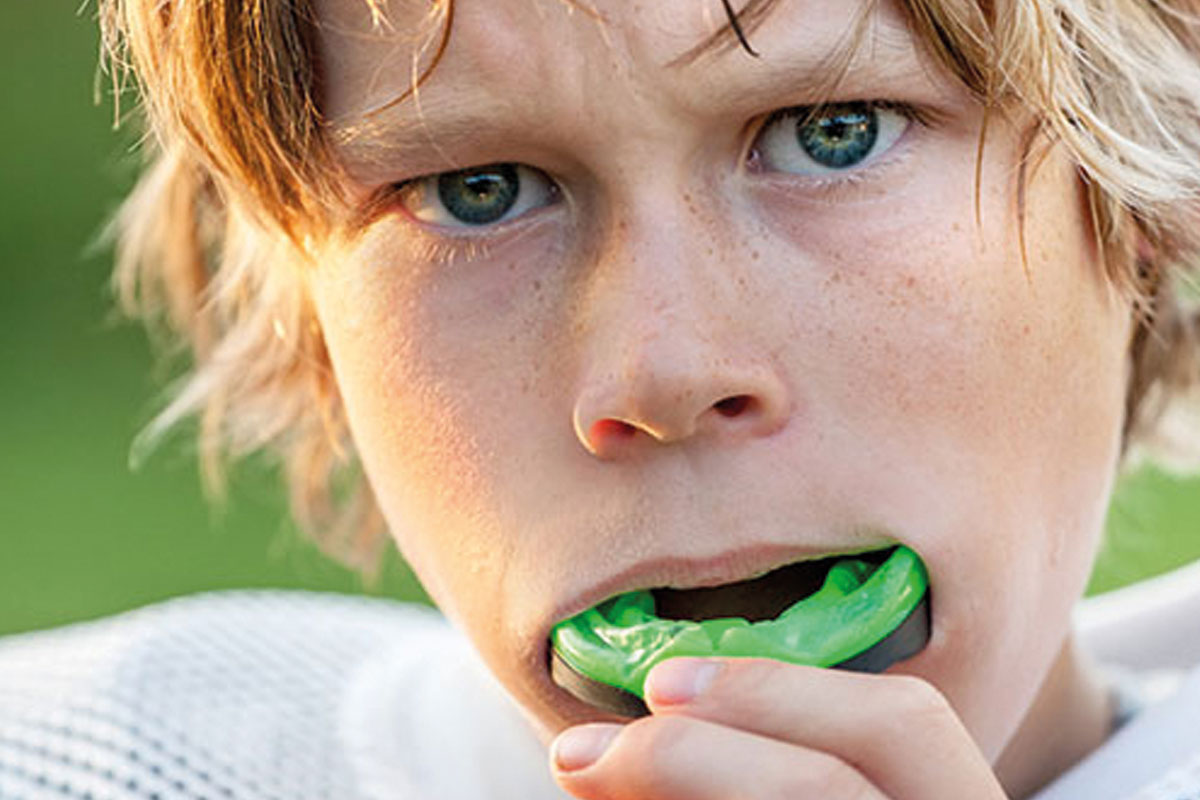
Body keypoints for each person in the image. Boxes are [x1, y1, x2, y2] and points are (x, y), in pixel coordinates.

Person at [3, 0, 1200, 797]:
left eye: (831, 133)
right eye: (479, 188)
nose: (663, 372)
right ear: (305, 311)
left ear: (1142, 180)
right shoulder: (93, 756)